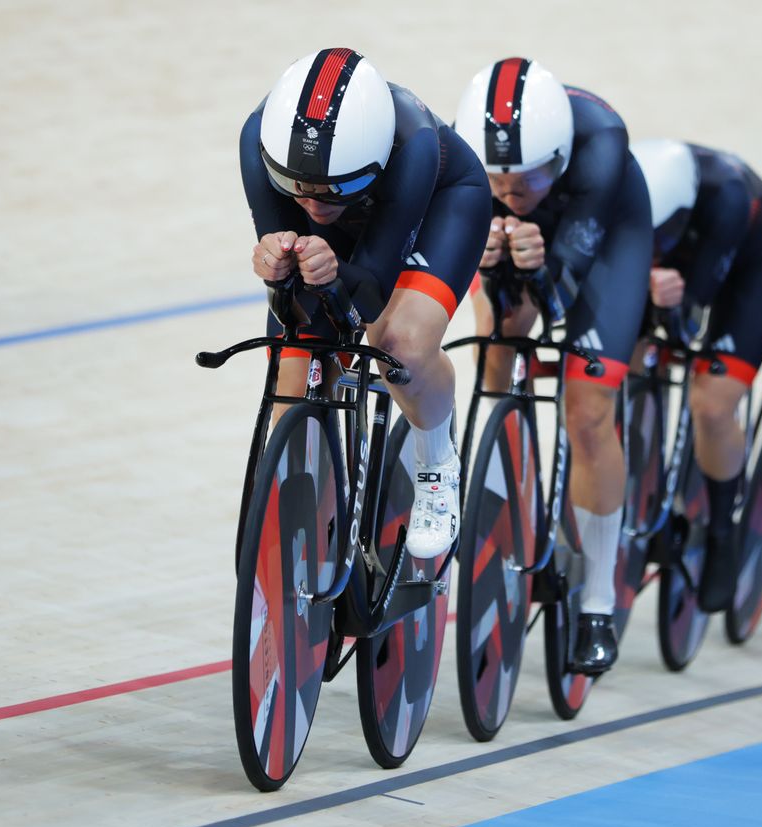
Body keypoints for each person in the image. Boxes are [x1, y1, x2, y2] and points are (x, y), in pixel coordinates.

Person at [240, 48, 491, 559]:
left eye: (333, 191)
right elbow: (290, 283)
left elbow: (371, 294)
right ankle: (316, 539)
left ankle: (437, 464)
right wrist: (276, 259)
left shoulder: (413, 144)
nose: (313, 204)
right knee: (294, 374)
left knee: (399, 343)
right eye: (299, 189)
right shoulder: (258, 137)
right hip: (349, 226)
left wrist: (333, 270)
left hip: (437, 208)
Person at [455, 58, 653, 673]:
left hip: (604, 236)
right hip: (532, 238)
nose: (510, 196)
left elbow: (560, 297)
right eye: (498, 182)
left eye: (525, 183)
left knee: (588, 411)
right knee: (496, 356)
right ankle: (510, 507)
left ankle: (597, 596)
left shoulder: (600, 143)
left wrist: (536, 268)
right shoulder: (469, 161)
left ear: (560, 156)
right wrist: (490, 266)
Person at [629, 139, 762, 613]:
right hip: (674, 270)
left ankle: (723, 530)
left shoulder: (728, 201)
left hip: (748, 266)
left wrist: (671, 302)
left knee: (713, 404)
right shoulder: (626, 184)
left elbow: (689, 324)